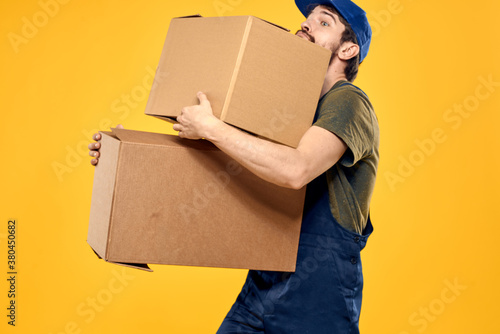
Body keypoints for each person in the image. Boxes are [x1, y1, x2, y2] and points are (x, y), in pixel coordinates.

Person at [89, 1, 378, 332]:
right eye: (306, 20)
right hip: (264, 284)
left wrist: (211, 127)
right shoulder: (288, 107)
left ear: (348, 49)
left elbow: (295, 170)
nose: (307, 26)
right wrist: (130, 157)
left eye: (324, 23)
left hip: (316, 297)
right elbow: (232, 168)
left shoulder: (348, 101)